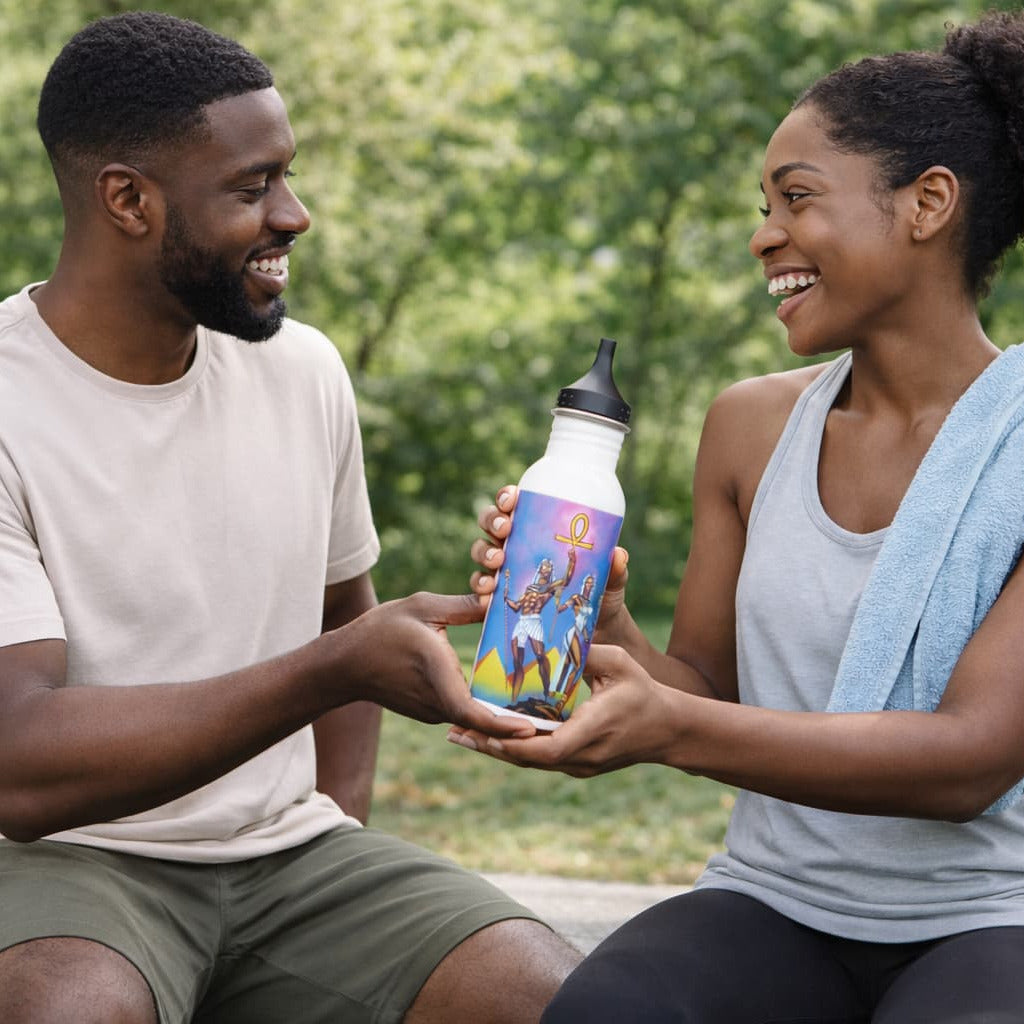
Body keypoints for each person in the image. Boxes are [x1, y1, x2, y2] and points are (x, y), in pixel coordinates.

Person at [0, 12, 581, 1024]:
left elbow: (339, 616)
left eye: (287, 176)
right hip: (66, 864)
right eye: (250, 186)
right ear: (127, 200)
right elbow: (19, 761)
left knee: (560, 997)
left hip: (293, 855)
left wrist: (338, 825)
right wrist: (339, 664)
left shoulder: (301, 368)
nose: (294, 214)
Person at [454, 10, 1024, 1022]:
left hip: (989, 912)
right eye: (763, 204)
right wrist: (605, 631)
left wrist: (672, 728)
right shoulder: (749, 426)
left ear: (926, 203)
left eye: (795, 198)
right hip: (776, 898)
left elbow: (970, 759)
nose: (764, 234)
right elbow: (701, 680)